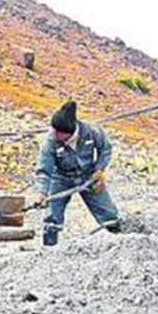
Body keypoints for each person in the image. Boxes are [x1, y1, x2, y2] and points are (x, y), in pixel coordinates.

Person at [35, 100, 120, 246]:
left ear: (70, 132)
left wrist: (99, 170)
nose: (54, 134)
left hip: (89, 176)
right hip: (61, 178)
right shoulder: (50, 142)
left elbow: (105, 149)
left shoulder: (91, 131)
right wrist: (42, 192)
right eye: (54, 130)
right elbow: (44, 169)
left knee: (108, 214)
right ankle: (49, 249)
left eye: (58, 132)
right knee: (52, 217)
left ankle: (120, 239)